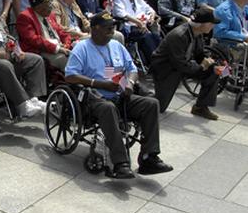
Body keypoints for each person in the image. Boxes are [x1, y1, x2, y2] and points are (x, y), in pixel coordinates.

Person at [64, 12, 174, 179]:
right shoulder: (82, 48)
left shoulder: (116, 46)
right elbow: (70, 76)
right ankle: (120, 162)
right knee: (108, 108)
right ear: (95, 28)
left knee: (151, 104)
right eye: (108, 28)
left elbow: (132, 69)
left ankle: (148, 158)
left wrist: (129, 83)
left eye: (113, 27)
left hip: (120, 93)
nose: (112, 31)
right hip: (94, 97)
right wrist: (99, 83)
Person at [150, 7, 221, 117]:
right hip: (167, 68)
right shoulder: (179, 35)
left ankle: (201, 107)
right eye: (211, 23)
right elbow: (179, 64)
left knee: (213, 71)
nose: (213, 26)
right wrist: (201, 67)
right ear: (202, 24)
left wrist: (210, 62)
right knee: (158, 106)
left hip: (183, 65)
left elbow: (199, 54)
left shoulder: (198, 33)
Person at [17, 0, 72, 71]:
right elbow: (33, 39)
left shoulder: (50, 15)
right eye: (49, 4)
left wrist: (66, 44)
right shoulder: (25, 17)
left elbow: (61, 32)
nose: (52, 7)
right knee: (64, 59)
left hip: (59, 47)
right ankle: (74, 81)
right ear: (39, 8)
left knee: (80, 52)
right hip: (41, 50)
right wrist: (57, 48)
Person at [112, 0, 162, 65]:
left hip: (143, 25)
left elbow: (149, 9)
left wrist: (152, 16)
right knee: (146, 37)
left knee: (155, 36)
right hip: (129, 27)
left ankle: (162, 59)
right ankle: (154, 62)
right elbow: (121, 14)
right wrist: (138, 22)